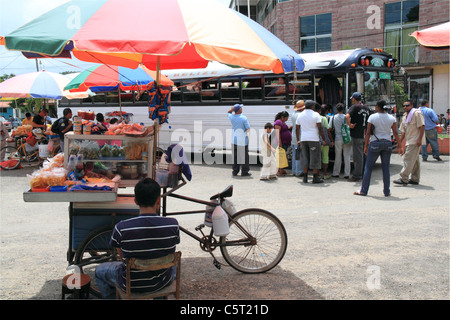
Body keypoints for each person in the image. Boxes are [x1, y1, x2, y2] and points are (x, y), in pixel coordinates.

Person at [95, 178, 180, 299]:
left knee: (99, 271)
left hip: (131, 284)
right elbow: (170, 250)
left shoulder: (121, 228)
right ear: (158, 200)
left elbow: (123, 257)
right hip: (162, 282)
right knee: (170, 264)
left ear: (135, 201)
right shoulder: (172, 224)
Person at [354, 100, 402, 197]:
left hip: (375, 143)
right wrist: (400, 145)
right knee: (386, 168)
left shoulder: (372, 117)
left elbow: (367, 133)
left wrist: (366, 145)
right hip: (387, 143)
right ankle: (387, 191)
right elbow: (395, 133)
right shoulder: (391, 118)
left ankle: (364, 190)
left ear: (377, 107)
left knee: (368, 167)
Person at [394, 100, 425, 185]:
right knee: (414, 160)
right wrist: (400, 142)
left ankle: (403, 178)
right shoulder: (405, 116)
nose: (405, 107)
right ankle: (415, 179)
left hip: (415, 140)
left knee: (407, 159)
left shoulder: (417, 113)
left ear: (411, 106)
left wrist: (419, 139)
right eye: (404, 106)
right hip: (409, 140)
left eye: (407, 105)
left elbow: (422, 126)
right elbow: (403, 131)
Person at [295, 100, 327, 184]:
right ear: (312, 106)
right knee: (315, 158)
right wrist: (323, 139)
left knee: (305, 157)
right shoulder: (316, 114)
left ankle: (305, 177)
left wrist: (298, 139)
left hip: (303, 139)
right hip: (314, 139)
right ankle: (315, 177)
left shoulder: (300, 115)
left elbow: (297, 128)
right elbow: (320, 128)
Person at [346, 92, 369, 182]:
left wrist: (349, 124)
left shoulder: (355, 107)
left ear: (354, 99)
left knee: (357, 156)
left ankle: (357, 175)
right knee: (364, 154)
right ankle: (364, 172)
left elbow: (347, 116)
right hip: (365, 133)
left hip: (357, 134)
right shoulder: (366, 108)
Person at [228, 104, 251, 177]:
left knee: (235, 156)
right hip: (242, 141)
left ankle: (235, 171)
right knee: (244, 157)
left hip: (234, 140)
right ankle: (244, 172)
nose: (242, 109)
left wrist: (232, 109)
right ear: (239, 110)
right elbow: (248, 128)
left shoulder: (232, 117)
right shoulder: (244, 118)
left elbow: (228, 113)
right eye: (241, 108)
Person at [331, 103, 352, 179]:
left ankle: (336, 173)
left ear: (336, 109)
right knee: (347, 156)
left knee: (338, 156)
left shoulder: (333, 117)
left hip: (338, 138)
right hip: (346, 137)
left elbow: (330, 127)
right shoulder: (346, 117)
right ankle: (347, 174)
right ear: (343, 109)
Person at [316, 104, 334, 179]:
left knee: (317, 158)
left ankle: (317, 174)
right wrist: (331, 140)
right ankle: (325, 174)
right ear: (326, 111)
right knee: (325, 157)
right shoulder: (324, 119)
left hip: (316, 140)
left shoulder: (315, 118)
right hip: (324, 141)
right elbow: (327, 131)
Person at [274, 110, 292, 176]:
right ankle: (278, 171)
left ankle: (281, 169)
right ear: (282, 117)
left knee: (283, 156)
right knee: (280, 156)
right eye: (286, 118)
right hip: (281, 142)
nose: (287, 119)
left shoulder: (282, 122)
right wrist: (279, 143)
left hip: (285, 142)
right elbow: (277, 133)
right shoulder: (278, 122)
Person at [291, 100, 305, 177]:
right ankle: (299, 171)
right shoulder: (300, 115)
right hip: (298, 136)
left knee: (294, 154)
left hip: (293, 136)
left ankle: (294, 170)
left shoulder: (293, 114)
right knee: (299, 155)